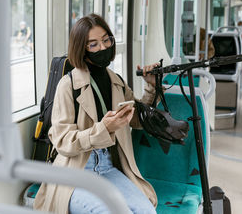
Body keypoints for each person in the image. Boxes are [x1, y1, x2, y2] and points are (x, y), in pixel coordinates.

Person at [33, 13, 158, 214]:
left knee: (147, 212)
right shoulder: (68, 85)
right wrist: (103, 129)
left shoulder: (116, 80)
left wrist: (151, 87)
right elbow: (63, 141)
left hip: (108, 166)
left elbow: (137, 120)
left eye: (106, 40)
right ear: (81, 49)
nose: (103, 48)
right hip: (76, 171)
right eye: (94, 44)